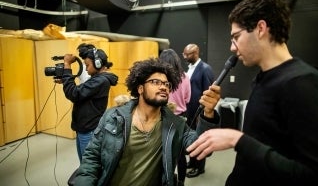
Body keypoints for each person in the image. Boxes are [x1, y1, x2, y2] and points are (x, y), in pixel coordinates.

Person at [186, 0, 318, 185]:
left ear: (261, 28)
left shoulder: (302, 83)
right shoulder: (263, 78)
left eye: (236, 37)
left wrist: (238, 140)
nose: (232, 47)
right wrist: (209, 112)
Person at [73, 58, 221, 186]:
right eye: (155, 82)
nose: (163, 86)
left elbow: (201, 149)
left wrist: (208, 113)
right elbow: (91, 158)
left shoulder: (176, 124)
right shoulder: (112, 117)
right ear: (140, 88)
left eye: (167, 84)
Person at [57, 43, 119, 162]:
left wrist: (67, 65)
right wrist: (66, 80)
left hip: (89, 131)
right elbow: (79, 92)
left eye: (87, 65)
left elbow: (74, 94)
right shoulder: (97, 79)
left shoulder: (100, 81)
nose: (85, 68)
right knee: (85, 164)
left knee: (88, 166)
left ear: (98, 64)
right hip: (84, 129)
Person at [159, 49, 191, 186]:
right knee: (180, 155)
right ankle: (181, 182)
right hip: (181, 118)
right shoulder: (185, 77)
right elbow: (187, 98)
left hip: (163, 117)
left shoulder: (160, 79)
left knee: (163, 152)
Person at [182, 43, 214, 178]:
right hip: (190, 111)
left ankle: (199, 167)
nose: (184, 56)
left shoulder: (205, 69)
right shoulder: (189, 68)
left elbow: (208, 94)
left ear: (195, 54)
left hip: (199, 112)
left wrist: (202, 114)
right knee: (192, 138)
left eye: (187, 54)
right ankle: (192, 161)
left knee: (200, 139)